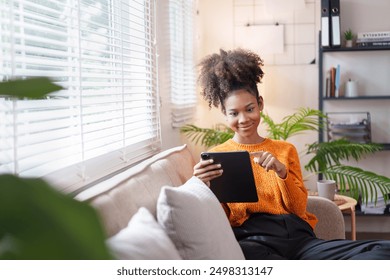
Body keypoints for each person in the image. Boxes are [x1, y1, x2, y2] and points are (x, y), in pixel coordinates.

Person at [192, 48, 390, 260]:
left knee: (382, 250)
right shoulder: (218, 156)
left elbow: (297, 208)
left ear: (260, 104)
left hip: (299, 238)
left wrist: (282, 172)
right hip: (252, 241)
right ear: (224, 114)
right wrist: (202, 186)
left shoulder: (285, 150)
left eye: (249, 109)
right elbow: (219, 222)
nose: (243, 119)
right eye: (234, 113)